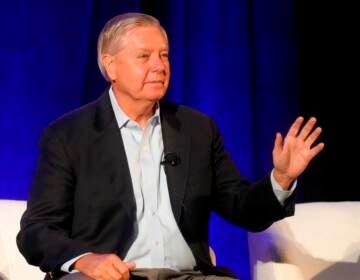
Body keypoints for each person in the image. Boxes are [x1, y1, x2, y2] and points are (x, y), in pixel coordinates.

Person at [17, 12, 324, 280]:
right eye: (144, 56)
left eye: (164, 55)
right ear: (110, 66)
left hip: (188, 277)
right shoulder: (68, 135)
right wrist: (85, 260)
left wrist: (281, 178)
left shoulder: (197, 129)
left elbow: (242, 207)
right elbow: (36, 231)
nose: (159, 66)